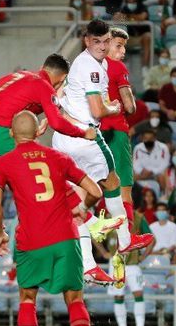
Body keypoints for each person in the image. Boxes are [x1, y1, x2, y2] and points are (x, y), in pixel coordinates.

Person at [0, 53, 114, 295]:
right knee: (47, 174)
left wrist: (23, 122)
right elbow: (56, 122)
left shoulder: (15, 76)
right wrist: (83, 132)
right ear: (61, 78)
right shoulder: (43, 84)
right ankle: (91, 228)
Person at [0, 111, 103, 326]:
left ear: (12, 134)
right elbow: (95, 191)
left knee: (28, 299)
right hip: (65, 238)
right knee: (75, 300)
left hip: (31, 241)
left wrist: (0, 232)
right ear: (38, 132)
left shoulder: (4, 163)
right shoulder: (59, 158)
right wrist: (82, 208)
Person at [52, 20, 154, 278]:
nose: (102, 46)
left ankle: (88, 265)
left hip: (68, 137)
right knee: (112, 183)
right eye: (96, 41)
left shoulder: (88, 63)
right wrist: (114, 107)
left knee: (82, 199)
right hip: (84, 137)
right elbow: (99, 110)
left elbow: (61, 94)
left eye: (106, 41)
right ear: (87, 41)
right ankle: (123, 238)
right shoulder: (91, 68)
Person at [100, 28, 139, 240]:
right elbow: (130, 107)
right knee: (124, 188)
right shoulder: (117, 67)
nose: (123, 51)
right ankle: (126, 238)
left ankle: (93, 225)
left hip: (93, 134)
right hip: (116, 131)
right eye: (119, 46)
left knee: (94, 187)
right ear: (106, 44)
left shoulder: (87, 67)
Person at [108, 208, 153, 326]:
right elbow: (95, 234)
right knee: (118, 296)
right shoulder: (110, 217)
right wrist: (103, 252)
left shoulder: (138, 217)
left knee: (138, 293)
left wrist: (143, 257)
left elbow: (151, 237)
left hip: (133, 265)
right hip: (116, 263)